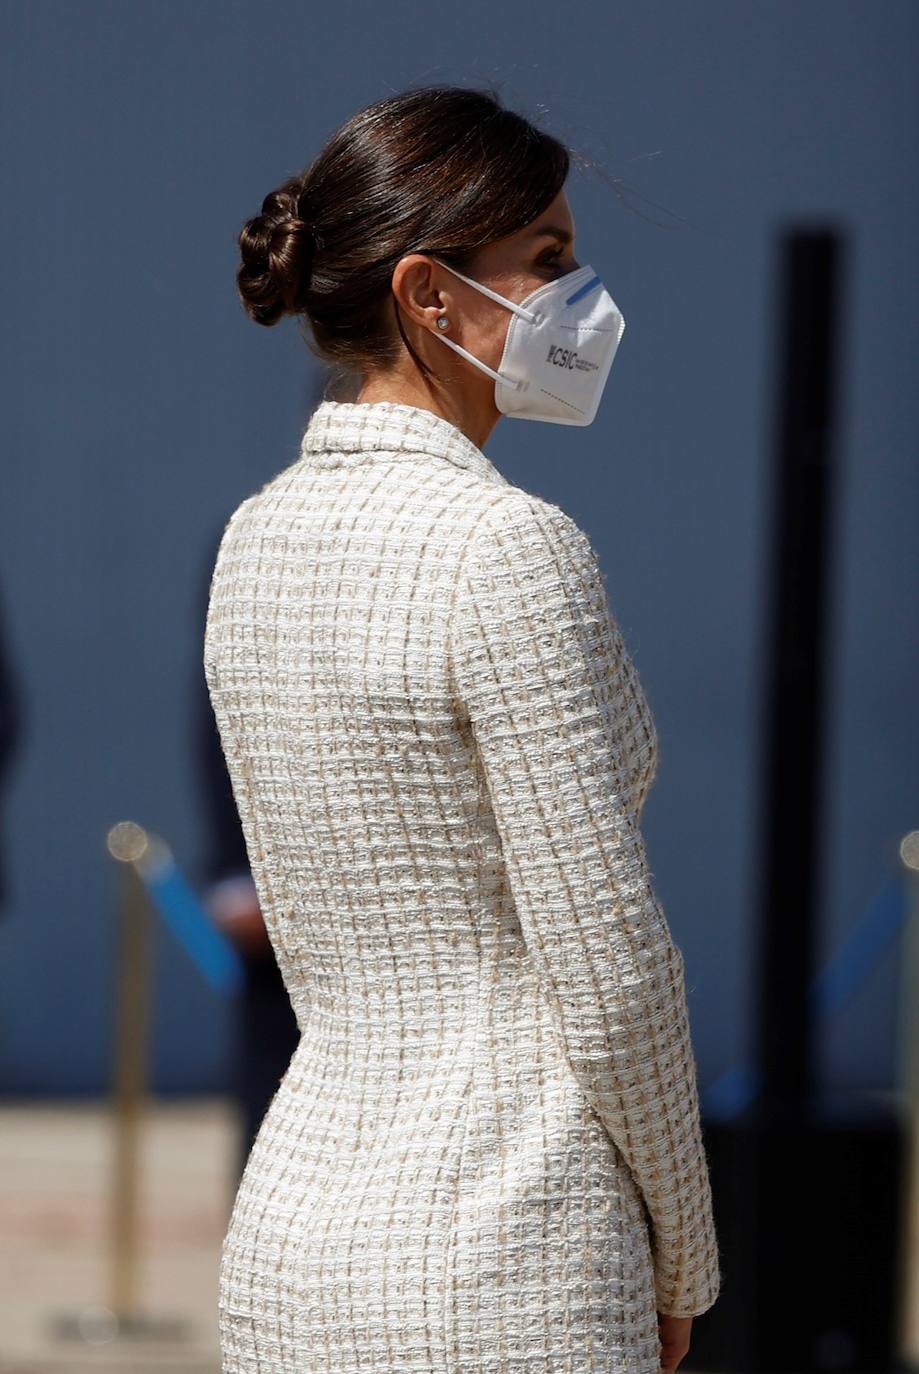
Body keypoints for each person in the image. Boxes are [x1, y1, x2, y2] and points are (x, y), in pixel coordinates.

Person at [203, 83, 722, 1374]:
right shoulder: (507, 547)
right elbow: (609, 968)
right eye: (547, 260)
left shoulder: (253, 538)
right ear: (432, 297)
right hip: (510, 1245)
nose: (582, 297)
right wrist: (688, 1253)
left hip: (294, 1236)